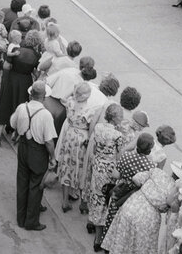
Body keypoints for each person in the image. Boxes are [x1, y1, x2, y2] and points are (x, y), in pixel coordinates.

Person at [101, 155, 175, 254]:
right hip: (149, 218)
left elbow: (136, 179)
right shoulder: (174, 189)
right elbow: (168, 207)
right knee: (140, 246)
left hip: (132, 204)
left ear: (173, 172)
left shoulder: (157, 172)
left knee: (121, 238)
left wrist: (144, 188)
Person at [9, 81, 58, 231]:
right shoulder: (45, 115)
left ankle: (21, 217)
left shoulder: (22, 107)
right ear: (43, 97)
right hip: (38, 152)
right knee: (36, 185)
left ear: (31, 94)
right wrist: (53, 158)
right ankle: (31, 221)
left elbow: (13, 124)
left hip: (23, 148)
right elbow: (49, 142)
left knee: (22, 182)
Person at [85, 102, 125, 251]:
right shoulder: (118, 135)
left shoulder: (98, 127)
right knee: (105, 200)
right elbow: (120, 156)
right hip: (108, 169)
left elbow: (95, 147)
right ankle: (98, 238)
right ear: (115, 118)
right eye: (120, 116)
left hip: (97, 165)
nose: (122, 119)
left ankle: (91, 220)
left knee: (95, 194)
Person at [56, 81, 95, 212]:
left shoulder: (70, 103)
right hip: (81, 139)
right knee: (78, 167)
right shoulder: (90, 110)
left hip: (69, 135)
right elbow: (91, 127)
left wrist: (73, 93)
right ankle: (74, 192)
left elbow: (64, 99)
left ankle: (65, 200)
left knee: (66, 166)